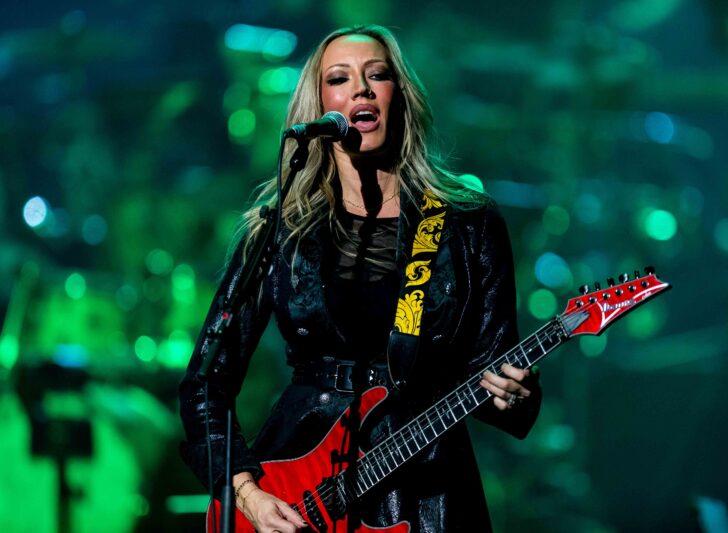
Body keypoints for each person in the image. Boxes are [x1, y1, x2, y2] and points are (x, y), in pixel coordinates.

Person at [179, 24, 542, 533]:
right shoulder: (280, 228)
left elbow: (497, 376)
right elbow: (205, 383)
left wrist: (515, 395)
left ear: (400, 97)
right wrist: (247, 494)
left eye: (377, 75)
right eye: (339, 78)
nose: (361, 90)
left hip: (426, 487)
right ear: (319, 105)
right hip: (300, 487)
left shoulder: (467, 224)